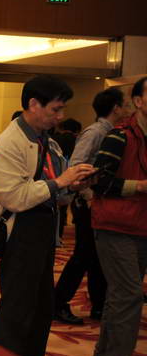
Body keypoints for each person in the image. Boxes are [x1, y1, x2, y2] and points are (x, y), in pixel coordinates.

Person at [0, 75, 95, 356]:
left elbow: (57, 192)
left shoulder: (48, 141)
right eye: (55, 109)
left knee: (41, 307)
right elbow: (15, 198)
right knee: (17, 309)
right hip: (19, 233)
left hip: (44, 231)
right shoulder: (10, 142)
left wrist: (72, 186)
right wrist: (60, 182)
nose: (60, 116)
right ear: (33, 104)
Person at [89, 77, 147, 356]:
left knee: (120, 296)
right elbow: (99, 181)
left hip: (140, 226)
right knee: (129, 296)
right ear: (138, 101)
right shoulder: (119, 136)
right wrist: (138, 186)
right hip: (114, 225)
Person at [53, 88, 126, 326]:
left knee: (96, 255)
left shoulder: (112, 131)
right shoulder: (95, 132)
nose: (127, 109)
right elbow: (75, 165)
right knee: (83, 255)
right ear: (116, 107)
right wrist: (88, 196)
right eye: (124, 104)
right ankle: (57, 302)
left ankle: (98, 305)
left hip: (97, 203)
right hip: (87, 203)